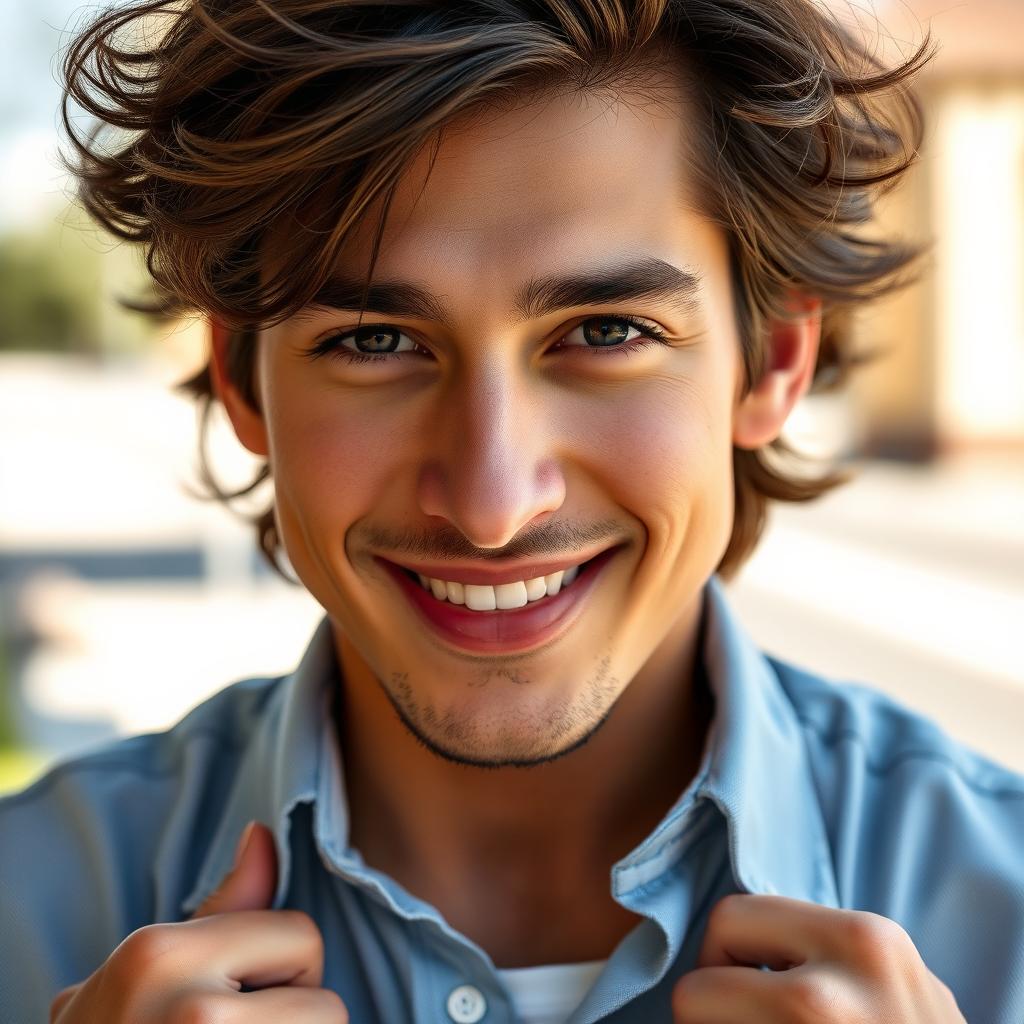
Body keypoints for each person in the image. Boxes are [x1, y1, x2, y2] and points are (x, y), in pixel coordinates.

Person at [1, 1, 1021, 1021]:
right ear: (239, 375)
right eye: (373, 342)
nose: (492, 506)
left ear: (775, 360)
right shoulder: (27, 908)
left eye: (607, 329)